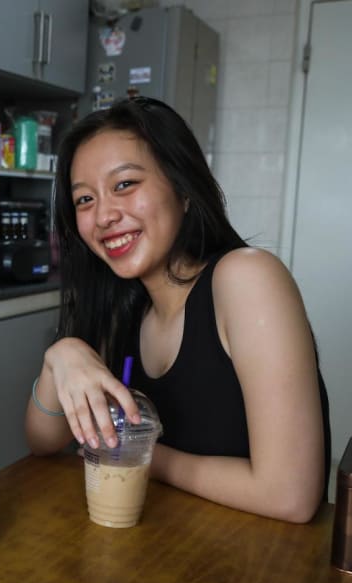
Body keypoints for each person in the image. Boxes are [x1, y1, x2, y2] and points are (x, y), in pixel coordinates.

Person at [25, 97, 330, 523]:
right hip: (167, 553)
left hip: (260, 569)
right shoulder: (127, 309)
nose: (105, 215)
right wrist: (61, 357)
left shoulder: (247, 280)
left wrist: (144, 455)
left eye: (125, 185)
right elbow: (43, 441)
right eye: (84, 200)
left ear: (183, 189)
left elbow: (289, 495)